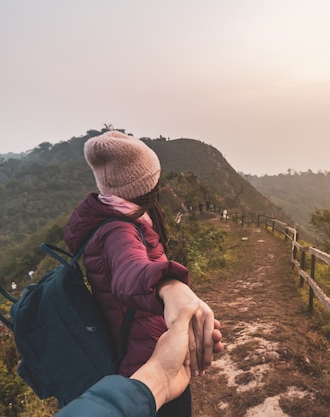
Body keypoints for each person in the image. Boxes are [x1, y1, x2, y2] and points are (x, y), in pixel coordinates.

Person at [64, 131, 222, 417]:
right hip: (144, 364)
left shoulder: (116, 219)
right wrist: (168, 283)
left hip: (144, 355)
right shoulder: (118, 230)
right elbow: (129, 272)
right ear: (146, 184)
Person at [56, 300, 213, 417]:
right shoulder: (108, 255)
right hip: (142, 362)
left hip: (140, 371)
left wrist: (160, 376)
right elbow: (131, 266)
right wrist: (168, 284)